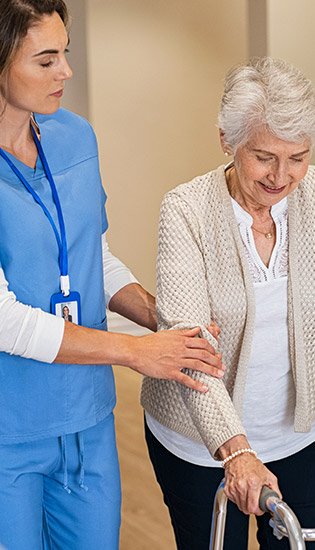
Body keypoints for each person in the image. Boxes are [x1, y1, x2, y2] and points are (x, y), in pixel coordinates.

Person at [0, 1, 225, 549]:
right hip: (10, 429)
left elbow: (92, 257)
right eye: (46, 59)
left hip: (88, 417)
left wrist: (160, 320)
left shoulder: (75, 137)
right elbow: (4, 320)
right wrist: (135, 353)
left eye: (66, 54)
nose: (66, 73)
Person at [141, 57, 315, 549]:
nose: (282, 176)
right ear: (226, 140)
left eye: (298, 157)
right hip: (199, 443)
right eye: (264, 156)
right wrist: (236, 451)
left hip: (299, 434)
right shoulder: (186, 211)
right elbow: (191, 349)